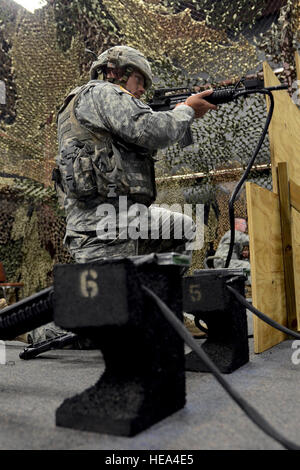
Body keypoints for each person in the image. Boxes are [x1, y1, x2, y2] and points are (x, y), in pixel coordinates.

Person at [54, 45, 217, 264]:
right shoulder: (103, 92)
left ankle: (157, 291)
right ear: (115, 73)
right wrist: (186, 110)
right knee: (122, 295)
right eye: (139, 80)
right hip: (108, 226)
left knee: (182, 227)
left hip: (106, 220)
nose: (141, 90)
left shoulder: (80, 103)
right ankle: (154, 292)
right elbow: (150, 130)